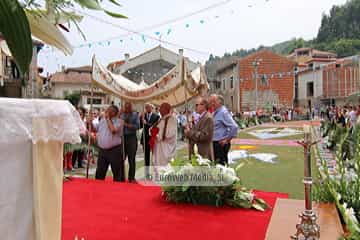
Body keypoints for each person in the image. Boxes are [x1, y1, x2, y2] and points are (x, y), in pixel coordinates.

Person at [94, 105, 124, 182]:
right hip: (102, 150)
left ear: (114, 112)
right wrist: (90, 122)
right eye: (107, 110)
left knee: (116, 172)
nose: (106, 111)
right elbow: (96, 129)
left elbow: (113, 130)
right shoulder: (102, 120)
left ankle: (117, 189)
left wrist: (108, 119)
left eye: (108, 110)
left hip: (114, 150)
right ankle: (97, 188)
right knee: (100, 172)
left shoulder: (119, 121)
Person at [209, 94, 238, 165]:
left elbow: (234, 126)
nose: (211, 103)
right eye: (211, 101)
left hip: (220, 144)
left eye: (214, 101)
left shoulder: (223, 112)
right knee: (217, 165)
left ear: (220, 102)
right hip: (215, 143)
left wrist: (227, 140)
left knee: (221, 166)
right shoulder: (215, 112)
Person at [121, 102, 140, 183]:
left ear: (131, 107)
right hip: (122, 138)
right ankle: (121, 177)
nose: (127, 109)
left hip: (131, 138)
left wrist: (126, 125)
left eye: (129, 107)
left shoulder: (135, 115)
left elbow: (137, 126)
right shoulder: (121, 115)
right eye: (126, 107)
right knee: (121, 159)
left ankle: (131, 178)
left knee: (131, 159)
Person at [140, 103, 160, 179]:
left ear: (152, 108)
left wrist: (146, 123)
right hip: (145, 139)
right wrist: (140, 119)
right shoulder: (143, 116)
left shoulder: (156, 116)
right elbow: (140, 126)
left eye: (148, 107)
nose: (147, 109)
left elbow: (153, 126)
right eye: (146, 107)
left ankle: (156, 174)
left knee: (155, 157)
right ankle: (147, 174)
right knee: (146, 157)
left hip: (152, 139)